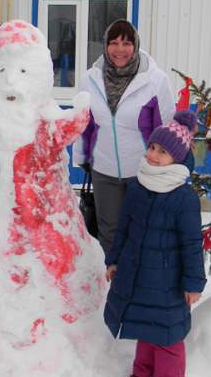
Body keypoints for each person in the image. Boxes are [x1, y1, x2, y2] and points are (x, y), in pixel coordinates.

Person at [103, 109, 206, 377]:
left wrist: (193, 284)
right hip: (137, 270)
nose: (153, 155)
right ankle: (142, 370)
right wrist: (114, 259)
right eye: (152, 147)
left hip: (168, 280)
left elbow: (192, 244)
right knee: (143, 325)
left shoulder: (184, 197)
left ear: (177, 158)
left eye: (162, 151)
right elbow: (124, 225)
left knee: (167, 335)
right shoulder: (139, 183)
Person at [72, 19, 175, 254]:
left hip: (144, 171)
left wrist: (165, 167)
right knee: (109, 232)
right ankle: (112, 275)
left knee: (143, 230)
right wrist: (82, 157)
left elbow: (166, 127)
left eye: (127, 43)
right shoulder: (90, 79)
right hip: (104, 170)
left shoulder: (155, 80)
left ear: (135, 45)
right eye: (114, 43)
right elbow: (85, 124)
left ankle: (138, 275)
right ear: (105, 45)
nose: (120, 49)